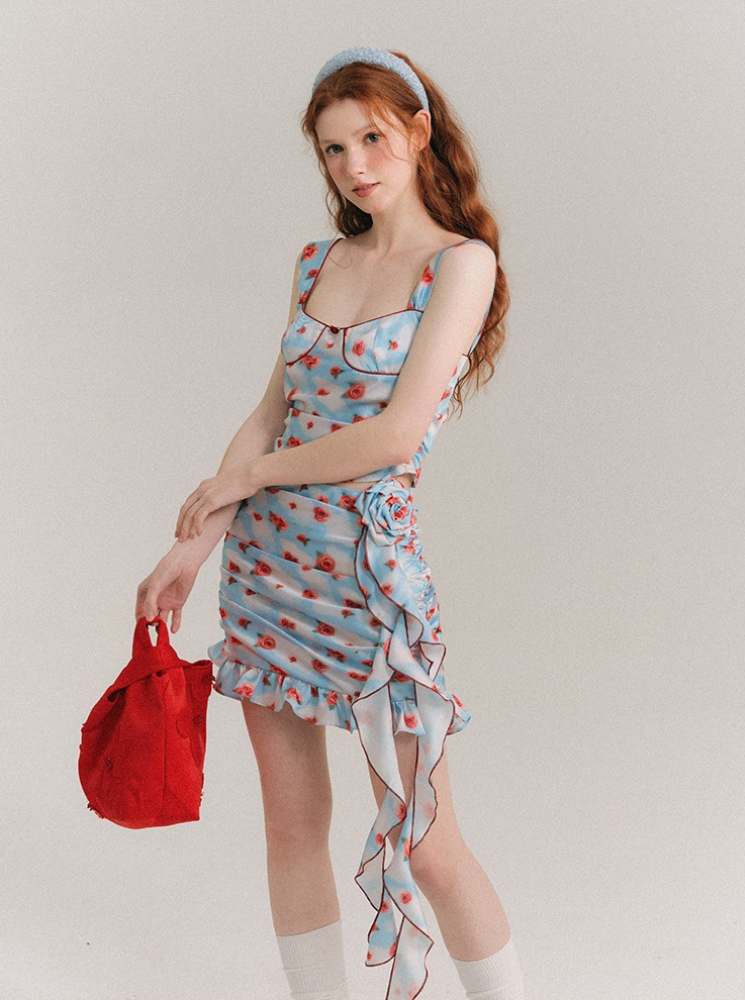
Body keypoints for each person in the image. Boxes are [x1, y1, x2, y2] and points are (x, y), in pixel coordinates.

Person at [135, 46, 523, 1000]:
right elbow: (271, 412)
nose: (355, 166)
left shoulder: (461, 265)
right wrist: (193, 546)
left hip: (368, 577)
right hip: (268, 572)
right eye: (335, 149)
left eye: (373, 139)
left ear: (420, 133)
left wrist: (250, 477)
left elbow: (395, 436)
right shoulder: (319, 262)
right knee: (291, 826)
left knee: (427, 843)